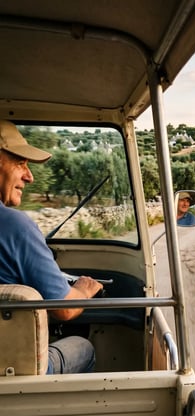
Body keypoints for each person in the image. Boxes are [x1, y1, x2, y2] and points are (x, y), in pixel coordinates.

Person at [0, 120, 103, 374]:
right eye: (20, 163)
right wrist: (83, 289)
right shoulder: (15, 227)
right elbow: (65, 309)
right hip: (12, 376)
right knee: (83, 347)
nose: (29, 176)